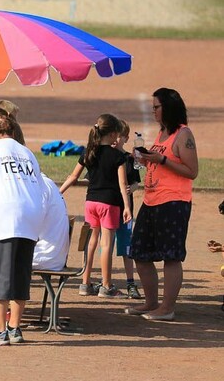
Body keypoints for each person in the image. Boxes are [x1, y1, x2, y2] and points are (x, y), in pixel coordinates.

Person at [0, 114, 44, 345]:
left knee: (1, 275)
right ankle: (15, 328)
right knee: (21, 274)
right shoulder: (26, 152)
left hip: (5, 215)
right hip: (31, 215)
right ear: (12, 130)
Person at [127, 88, 198, 321]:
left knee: (171, 255)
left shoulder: (183, 134)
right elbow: (158, 165)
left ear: (168, 107)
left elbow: (192, 171)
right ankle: (151, 303)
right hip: (151, 200)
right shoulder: (162, 133)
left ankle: (167, 308)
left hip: (174, 201)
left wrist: (163, 159)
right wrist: (145, 160)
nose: (153, 111)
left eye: (156, 107)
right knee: (140, 251)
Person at [59, 114, 132, 298]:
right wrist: (127, 207)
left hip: (90, 202)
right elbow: (123, 185)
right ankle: (106, 286)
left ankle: (85, 283)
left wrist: (58, 193)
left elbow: (73, 177)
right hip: (109, 203)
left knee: (92, 241)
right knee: (106, 244)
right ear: (114, 134)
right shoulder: (118, 156)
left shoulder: (89, 152)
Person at [115, 119, 143, 299]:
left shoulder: (128, 159)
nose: (115, 139)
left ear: (125, 138)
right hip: (109, 207)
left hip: (126, 210)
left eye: (118, 136)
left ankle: (130, 282)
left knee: (126, 247)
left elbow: (136, 182)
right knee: (106, 246)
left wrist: (131, 188)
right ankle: (105, 281)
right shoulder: (106, 156)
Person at [33, 174, 71, 272]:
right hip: (57, 256)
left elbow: (33, 224)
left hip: (46, 257)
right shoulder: (50, 184)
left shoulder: (40, 187)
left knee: (0, 256)